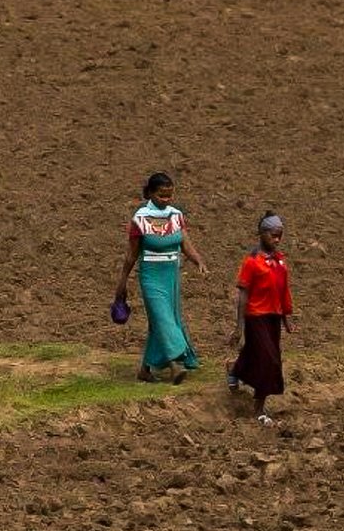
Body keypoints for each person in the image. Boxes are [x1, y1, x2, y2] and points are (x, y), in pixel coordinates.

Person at [115, 172, 208, 382]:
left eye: (170, 195)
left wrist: (198, 261)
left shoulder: (176, 215)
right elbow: (131, 254)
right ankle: (176, 364)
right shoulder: (140, 218)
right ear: (150, 193)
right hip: (151, 275)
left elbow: (185, 243)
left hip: (171, 275)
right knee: (163, 318)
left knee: (162, 319)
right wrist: (122, 282)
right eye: (162, 195)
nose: (167, 200)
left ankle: (145, 370)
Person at [227, 212, 295, 426]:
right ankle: (259, 409)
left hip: (273, 316)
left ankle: (234, 369)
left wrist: (286, 316)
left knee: (255, 352)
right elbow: (243, 294)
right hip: (256, 316)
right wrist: (239, 327)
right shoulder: (252, 262)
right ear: (262, 234)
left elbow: (284, 290)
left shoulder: (280, 261)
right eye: (273, 235)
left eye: (280, 236)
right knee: (269, 360)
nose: (276, 240)